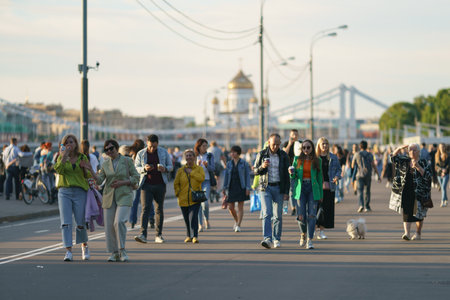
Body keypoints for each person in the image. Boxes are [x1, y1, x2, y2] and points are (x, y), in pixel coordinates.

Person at [85, 139, 139, 262]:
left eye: (111, 148)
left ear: (116, 148)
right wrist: (90, 170)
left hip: (124, 195)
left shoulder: (127, 161)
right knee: (109, 226)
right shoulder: (105, 164)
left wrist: (123, 182)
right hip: (109, 196)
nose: (109, 151)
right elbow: (99, 181)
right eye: (106, 150)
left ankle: (122, 250)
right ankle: (114, 253)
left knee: (118, 222)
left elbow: (136, 177)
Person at [54, 134, 91, 261]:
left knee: (80, 221)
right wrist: (64, 156)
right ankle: (68, 251)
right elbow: (59, 170)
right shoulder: (61, 157)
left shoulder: (82, 157)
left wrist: (85, 168)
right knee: (66, 222)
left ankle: (84, 245)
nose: (70, 144)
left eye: (72, 142)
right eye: (67, 142)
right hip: (64, 191)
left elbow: (88, 175)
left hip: (80, 191)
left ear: (76, 144)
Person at [134, 134, 173, 244]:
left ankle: (158, 235)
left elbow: (171, 166)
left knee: (159, 209)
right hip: (146, 184)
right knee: (145, 209)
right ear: (147, 143)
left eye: (154, 147)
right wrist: (144, 169)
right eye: (150, 146)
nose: (152, 149)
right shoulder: (141, 153)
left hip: (160, 184)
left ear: (158, 144)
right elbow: (135, 167)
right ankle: (143, 234)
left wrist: (164, 168)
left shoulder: (163, 152)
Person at [254, 133, 290, 249]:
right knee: (267, 213)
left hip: (279, 187)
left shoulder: (284, 155)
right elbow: (255, 171)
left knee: (278, 215)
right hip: (265, 187)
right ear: (269, 142)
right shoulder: (262, 154)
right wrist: (262, 167)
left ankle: (277, 238)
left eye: (278, 144)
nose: (275, 147)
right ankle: (267, 238)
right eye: (274, 144)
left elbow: (286, 175)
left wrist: (286, 192)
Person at [389, 144, 432, 240]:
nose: (412, 152)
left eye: (414, 150)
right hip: (406, 190)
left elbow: (428, 177)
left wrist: (418, 167)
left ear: (419, 152)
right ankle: (407, 233)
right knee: (406, 212)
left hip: (420, 191)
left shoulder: (424, 162)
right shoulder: (404, 160)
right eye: (410, 150)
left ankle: (418, 233)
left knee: (419, 213)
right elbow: (392, 157)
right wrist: (399, 148)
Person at [290, 139, 323, 249]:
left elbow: (319, 178)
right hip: (301, 188)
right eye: (303, 148)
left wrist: (321, 195)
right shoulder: (297, 159)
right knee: (301, 216)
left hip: (313, 189)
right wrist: (291, 173)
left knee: (312, 215)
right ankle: (303, 233)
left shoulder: (317, 160)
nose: (306, 150)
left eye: (308, 147)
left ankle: (310, 239)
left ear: (312, 148)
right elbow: (294, 177)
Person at [173, 149, 205, 243]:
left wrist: (191, 172)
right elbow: (176, 183)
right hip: (183, 199)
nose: (189, 157)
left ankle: (195, 236)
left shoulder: (199, 169)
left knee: (193, 217)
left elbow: (201, 179)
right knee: (186, 219)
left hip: (195, 198)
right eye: (187, 156)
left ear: (194, 157)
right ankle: (188, 236)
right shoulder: (180, 170)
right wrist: (177, 193)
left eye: (191, 155)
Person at [316, 137, 341, 240]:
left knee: (325, 210)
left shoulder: (333, 157)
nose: (325, 145)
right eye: (323, 144)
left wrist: (336, 177)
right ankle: (312, 229)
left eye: (326, 143)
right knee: (315, 209)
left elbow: (339, 170)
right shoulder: (314, 157)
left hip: (329, 187)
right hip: (316, 188)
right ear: (318, 145)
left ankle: (321, 231)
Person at [222, 145, 251, 232]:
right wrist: (224, 187)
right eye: (231, 152)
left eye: (234, 152)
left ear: (238, 153)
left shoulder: (244, 163)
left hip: (241, 186)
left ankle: (238, 225)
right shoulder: (229, 164)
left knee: (240, 207)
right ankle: (236, 220)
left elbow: (247, 176)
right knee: (230, 207)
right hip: (231, 187)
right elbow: (226, 176)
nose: (232, 154)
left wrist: (247, 188)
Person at [352, 140, 381, 212]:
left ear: (360, 146)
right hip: (368, 174)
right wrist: (378, 175)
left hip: (359, 175)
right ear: (366, 146)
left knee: (360, 191)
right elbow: (374, 165)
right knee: (367, 191)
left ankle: (361, 205)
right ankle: (367, 206)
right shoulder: (370, 154)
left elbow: (352, 165)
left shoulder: (357, 154)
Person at [128, 139, 150, 228]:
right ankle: (151, 218)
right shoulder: (144, 155)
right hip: (144, 178)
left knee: (135, 201)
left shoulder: (132, 156)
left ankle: (132, 220)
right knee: (148, 200)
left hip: (136, 180)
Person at [194, 138, 215, 231]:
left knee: (205, 203)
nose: (205, 148)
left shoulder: (210, 156)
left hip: (206, 180)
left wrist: (207, 166)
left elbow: (213, 168)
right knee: (198, 203)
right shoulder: (194, 156)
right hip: (197, 182)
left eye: (206, 146)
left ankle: (206, 219)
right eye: (203, 146)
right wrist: (197, 166)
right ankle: (200, 224)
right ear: (199, 146)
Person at [283, 129, 302, 215]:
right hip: (289, 169)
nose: (294, 136)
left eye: (296, 135)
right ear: (290, 135)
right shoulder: (286, 143)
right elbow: (284, 153)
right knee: (291, 189)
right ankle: (293, 207)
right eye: (293, 135)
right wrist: (290, 144)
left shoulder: (300, 143)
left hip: (299, 169)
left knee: (298, 188)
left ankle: (298, 206)